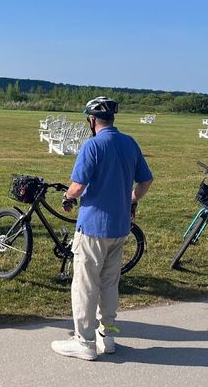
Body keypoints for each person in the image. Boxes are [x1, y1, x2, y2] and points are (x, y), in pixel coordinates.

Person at [51, 96, 153, 360]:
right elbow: (145, 180)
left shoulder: (93, 146)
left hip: (93, 226)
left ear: (92, 120)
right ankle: (107, 336)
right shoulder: (129, 143)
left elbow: (77, 185)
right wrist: (132, 199)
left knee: (85, 284)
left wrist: (68, 198)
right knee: (109, 284)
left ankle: (83, 341)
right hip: (119, 227)